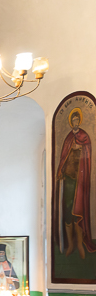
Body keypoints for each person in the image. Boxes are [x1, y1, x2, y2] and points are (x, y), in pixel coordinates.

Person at [55, 108, 96, 258]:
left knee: (78, 211)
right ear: (71, 122)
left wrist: (81, 147)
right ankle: (71, 244)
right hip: (68, 179)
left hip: (79, 179)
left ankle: (79, 244)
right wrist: (60, 171)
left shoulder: (84, 136)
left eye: (77, 120)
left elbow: (88, 149)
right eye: (73, 120)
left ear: (80, 121)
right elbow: (63, 156)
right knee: (67, 211)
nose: (75, 122)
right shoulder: (68, 138)